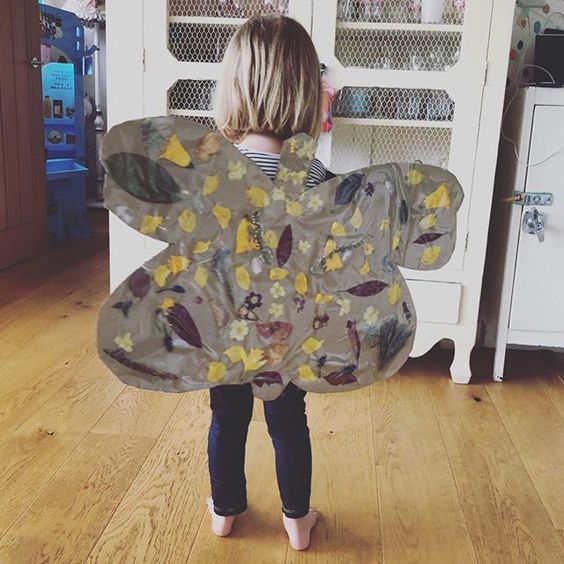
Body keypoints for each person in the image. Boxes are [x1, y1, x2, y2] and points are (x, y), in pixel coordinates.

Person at [208, 14, 329, 551]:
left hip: (224, 327)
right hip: (289, 329)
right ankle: (297, 522)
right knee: (288, 421)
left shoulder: (214, 171)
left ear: (233, 86)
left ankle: (224, 512)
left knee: (226, 418)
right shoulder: (318, 178)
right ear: (308, 92)